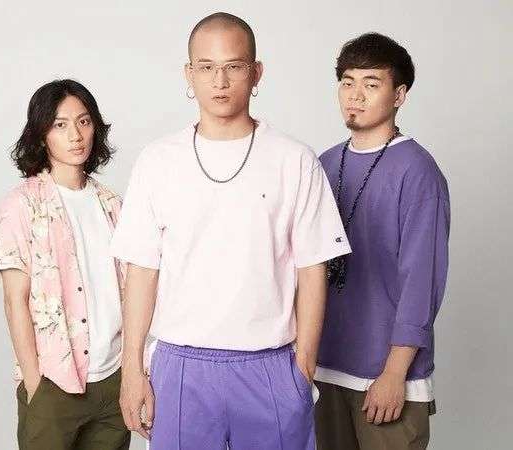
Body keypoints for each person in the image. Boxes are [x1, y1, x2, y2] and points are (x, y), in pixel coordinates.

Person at [111, 12, 351, 449]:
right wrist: (131, 371)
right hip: (181, 367)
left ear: (256, 73)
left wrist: (302, 370)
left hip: (271, 366)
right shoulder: (158, 161)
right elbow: (141, 271)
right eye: (206, 67)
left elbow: (313, 270)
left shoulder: (294, 160)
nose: (219, 81)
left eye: (233, 66)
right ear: (189, 74)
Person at [314, 33, 450, 450]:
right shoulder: (323, 164)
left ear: (399, 95)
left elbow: (421, 281)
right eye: (347, 82)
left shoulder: (417, 171)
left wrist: (394, 373)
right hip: (322, 367)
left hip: (386, 376)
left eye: (371, 84)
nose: (355, 95)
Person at [0, 79, 130, 450]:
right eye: (60, 124)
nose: (75, 135)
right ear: (41, 136)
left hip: (113, 379)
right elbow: (14, 300)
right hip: (54, 382)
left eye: (84, 122)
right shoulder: (22, 205)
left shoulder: (113, 205)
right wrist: (34, 382)